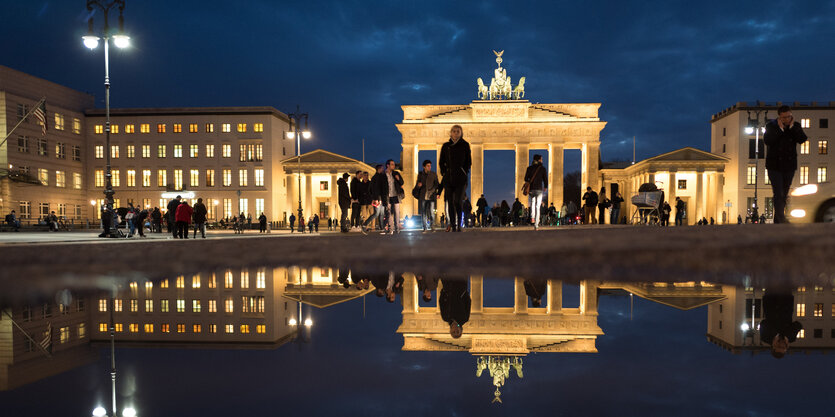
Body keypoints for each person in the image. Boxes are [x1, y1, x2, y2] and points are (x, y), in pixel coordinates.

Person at [764, 105, 808, 223]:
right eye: (784, 117)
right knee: (778, 192)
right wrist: (780, 129)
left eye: (789, 116)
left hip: (789, 165)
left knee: (784, 192)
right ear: (779, 117)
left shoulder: (796, 126)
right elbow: (767, 140)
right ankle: (781, 218)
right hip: (774, 166)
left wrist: (793, 128)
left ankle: (778, 219)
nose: (787, 119)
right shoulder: (771, 126)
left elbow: (802, 139)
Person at [439, 125, 471, 232]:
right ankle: (453, 225)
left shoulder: (465, 145)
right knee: (450, 202)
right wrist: (444, 172)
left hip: (460, 178)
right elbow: (441, 161)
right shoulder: (446, 146)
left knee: (457, 201)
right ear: (450, 133)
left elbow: (468, 161)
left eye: (458, 131)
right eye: (454, 131)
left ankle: (459, 224)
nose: (456, 133)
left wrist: (464, 171)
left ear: (461, 133)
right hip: (449, 178)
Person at [759, 284, 803, 358]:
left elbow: (763, 323)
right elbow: (798, 325)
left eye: (778, 347)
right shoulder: (791, 338)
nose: (781, 345)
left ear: (773, 347)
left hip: (771, 300)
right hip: (786, 300)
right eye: (783, 347)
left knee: (771, 279)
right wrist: (786, 336)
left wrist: (775, 336)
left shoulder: (765, 337)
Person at [524, 154, 548, 230]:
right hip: (539, 189)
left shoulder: (529, 168)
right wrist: (545, 186)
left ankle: (532, 217)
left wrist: (529, 181)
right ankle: (536, 224)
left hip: (531, 189)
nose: (542, 160)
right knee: (538, 206)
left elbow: (525, 178)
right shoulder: (542, 168)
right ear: (538, 160)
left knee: (533, 203)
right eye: (541, 159)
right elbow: (545, 179)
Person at [415, 159, 440, 232]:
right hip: (423, 196)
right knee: (423, 212)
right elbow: (417, 185)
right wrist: (418, 186)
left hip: (431, 196)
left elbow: (437, 184)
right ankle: (424, 227)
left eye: (430, 166)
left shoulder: (433, 174)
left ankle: (432, 226)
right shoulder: (420, 174)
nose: (429, 167)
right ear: (424, 167)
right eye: (428, 166)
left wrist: (433, 191)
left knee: (432, 212)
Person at [383, 159, 404, 234]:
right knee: (389, 213)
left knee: (396, 213)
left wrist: (398, 179)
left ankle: (397, 228)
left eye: (394, 164)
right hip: (387, 196)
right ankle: (391, 229)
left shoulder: (396, 173)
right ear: (388, 165)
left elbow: (402, 182)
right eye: (392, 164)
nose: (394, 166)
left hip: (395, 195)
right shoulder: (383, 174)